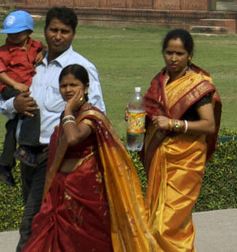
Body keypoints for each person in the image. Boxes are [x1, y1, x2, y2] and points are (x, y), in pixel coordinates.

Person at [0, 7, 106, 252]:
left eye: (65, 31)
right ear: (44, 31)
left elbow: (96, 112)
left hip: (55, 156)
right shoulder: (29, 62)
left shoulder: (80, 68)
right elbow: (1, 100)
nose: (58, 36)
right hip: (26, 153)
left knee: (31, 223)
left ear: (73, 34)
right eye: (53, 30)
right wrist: (12, 105)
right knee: (44, 223)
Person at [23, 63, 157, 252]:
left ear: (85, 87)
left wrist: (68, 110)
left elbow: (73, 137)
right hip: (60, 191)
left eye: (73, 85)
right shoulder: (68, 115)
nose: (68, 90)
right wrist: (68, 112)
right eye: (63, 86)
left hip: (85, 194)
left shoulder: (91, 116)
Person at [142, 29, 222, 252]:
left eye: (179, 53)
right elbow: (152, 117)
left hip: (186, 162)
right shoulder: (159, 82)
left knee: (166, 226)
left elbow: (209, 125)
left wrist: (175, 124)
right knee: (152, 222)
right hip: (161, 157)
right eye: (169, 52)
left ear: (190, 55)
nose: (174, 58)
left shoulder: (199, 85)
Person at [0, 10, 45, 187]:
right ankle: (27, 148)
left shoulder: (34, 45)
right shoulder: (4, 51)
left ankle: (4, 167)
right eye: (10, 33)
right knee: (31, 108)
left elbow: (43, 47)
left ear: (28, 33)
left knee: (13, 127)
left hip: (21, 88)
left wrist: (42, 53)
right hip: (9, 89)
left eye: (17, 33)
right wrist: (15, 85)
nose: (12, 36)